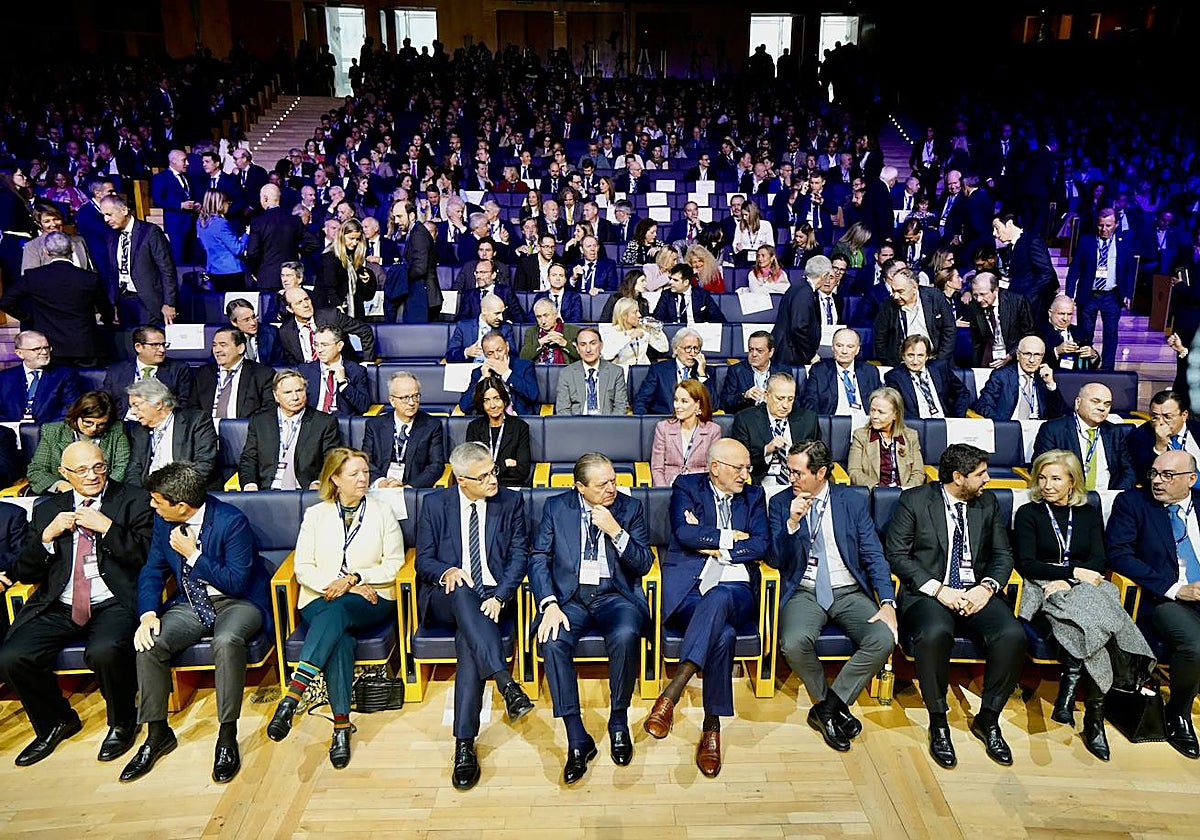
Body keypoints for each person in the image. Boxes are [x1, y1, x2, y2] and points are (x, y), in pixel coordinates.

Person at [0, 442, 154, 767]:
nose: (93, 475)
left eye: (98, 466)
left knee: (104, 651)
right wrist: (46, 538)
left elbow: (146, 557)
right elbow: (25, 571)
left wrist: (108, 528)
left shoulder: (134, 499)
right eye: (82, 470)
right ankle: (56, 721)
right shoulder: (46, 509)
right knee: (12, 656)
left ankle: (122, 722)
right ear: (64, 474)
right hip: (61, 601)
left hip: (113, 600)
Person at [121, 461, 272, 783]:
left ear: (182, 506)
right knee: (150, 644)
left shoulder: (232, 522)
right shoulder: (164, 522)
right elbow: (152, 571)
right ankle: (157, 733)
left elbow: (235, 582)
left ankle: (227, 735)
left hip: (239, 602)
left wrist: (193, 556)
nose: (151, 506)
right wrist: (148, 614)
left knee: (227, 641)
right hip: (190, 603)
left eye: (157, 501)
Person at [886, 443, 1027, 768]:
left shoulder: (987, 503)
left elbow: (1003, 554)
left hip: (976, 590)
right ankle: (938, 721)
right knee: (934, 633)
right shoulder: (915, 501)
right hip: (931, 593)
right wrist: (940, 590)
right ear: (958, 477)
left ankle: (988, 718)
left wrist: (987, 587)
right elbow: (896, 554)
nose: (988, 479)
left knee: (1012, 636)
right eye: (980, 474)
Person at [266, 448, 405, 769]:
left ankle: (292, 697)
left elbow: (394, 563)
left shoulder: (383, 512)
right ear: (335, 479)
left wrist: (356, 578)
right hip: (320, 596)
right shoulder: (316, 515)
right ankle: (341, 725)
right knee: (339, 638)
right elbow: (303, 567)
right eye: (354, 474)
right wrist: (337, 583)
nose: (363, 478)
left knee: (338, 614)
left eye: (365, 472)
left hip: (370, 598)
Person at [1014, 450, 1155, 761]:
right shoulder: (1029, 513)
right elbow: (1027, 563)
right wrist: (1069, 573)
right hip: (1046, 584)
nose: (1047, 485)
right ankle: (1094, 714)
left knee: (1091, 619)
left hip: (1086, 583)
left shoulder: (1088, 513)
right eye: (1042, 478)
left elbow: (1097, 558)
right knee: (1094, 625)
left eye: (1055, 478)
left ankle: (1075, 681)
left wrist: (1075, 577)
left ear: (1072, 482)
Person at [643, 439, 768, 778]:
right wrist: (731, 538)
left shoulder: (754, 495)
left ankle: (672, 692)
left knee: (720, 598)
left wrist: (712, 543)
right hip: (690, 588)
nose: (746, 474)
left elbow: (761, 543)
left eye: (747, 467)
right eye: (738, 468)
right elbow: (685, 534)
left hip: (738, 589)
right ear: (715, 468)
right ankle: (711, 727)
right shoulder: (687, 486)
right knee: (723, 634)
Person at [414, 442, 534, 789]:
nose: (493, 480)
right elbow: (423, 560)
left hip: (492, 600)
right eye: (483, 477)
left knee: (470, 643)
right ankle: (506, 683)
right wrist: (447, 571)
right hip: (446, 598)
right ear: (461, 479)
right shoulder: (435, 504)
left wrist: (500, 596)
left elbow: (518, 557)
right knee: (462, 586)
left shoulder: (510, 502)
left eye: (493, 471)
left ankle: (463, 744)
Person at [768, 439, 898, 752]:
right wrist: (791, 523)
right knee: (794, 643)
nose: (792, 478)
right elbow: (774, 559)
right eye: (790, 471)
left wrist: (888, 602)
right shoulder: (779, 501)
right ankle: (831, 705)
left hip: (848, 589)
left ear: (822, 472)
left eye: (799, 472)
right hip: (804, 589)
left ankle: (828, 709)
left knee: (883, 637)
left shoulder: (851, 501)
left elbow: (872, 554)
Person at [531, 452, 655, 781]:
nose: (612, 489)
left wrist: (616, 532)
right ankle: (577, 739)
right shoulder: (557, 508)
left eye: (614, 480)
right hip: (570, 598)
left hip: (615, 595)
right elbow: (538, 557)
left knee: (627, 633)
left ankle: (618, 720)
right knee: (552, 640)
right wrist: (548, 603)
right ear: (580, 487)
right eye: (602, 485)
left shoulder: (629, 508)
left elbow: (644, 564)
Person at [1107, 449, 1200, 758]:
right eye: (1154, 473)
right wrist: (1175, 589)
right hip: (1163, 598)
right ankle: (1178, 713)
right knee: (1195, 645)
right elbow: (1119, 554)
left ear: (1191, 479)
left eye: (1168, 475)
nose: (1158, 481)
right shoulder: (1133, 503)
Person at [0, 233, 113, 366]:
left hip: (49, 347)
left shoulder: (34, 276)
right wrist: (107, 321)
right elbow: (106, 309)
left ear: (46, 252)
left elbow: (6, 302)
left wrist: (29, 319)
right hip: (85, 346)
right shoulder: (88, 278)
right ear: (72, 249)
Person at [239, 370, 342, 491]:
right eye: (288, 392)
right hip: (266, 489)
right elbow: (249, 458)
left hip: (306, 489)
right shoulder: (260, 421)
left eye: (299, 391)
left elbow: (331, 460)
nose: (295, 397)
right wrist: (250, 484)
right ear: (276, 396)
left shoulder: (324, 422)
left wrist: (319, 481)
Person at [1065, 208, 1137, 370]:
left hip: (1112, 296)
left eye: (1108, 225)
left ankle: (1107, 368)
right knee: (1085, 333)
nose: (1104, 229)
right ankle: (1086, 367)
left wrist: (1128, 293)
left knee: (1111, 333)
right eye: (1101, 225)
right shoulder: (1086, 241)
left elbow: (1129, 271)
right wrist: (1069, 295)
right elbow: (1075, 269)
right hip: (1088, 295)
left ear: (1116, 225)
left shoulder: (1124, 243)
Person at [1032, 383, 1136, 490]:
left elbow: (1128, 471)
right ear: (1078, 403)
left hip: (1107, 498)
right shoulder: (1053, 429)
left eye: (1107, 404)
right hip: (1066, 497)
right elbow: (1040, 467)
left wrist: (1116, 495)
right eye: (1095, 401)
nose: (1102, 408)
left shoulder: (1114, 432)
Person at [27, 391, 130, 494]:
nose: (94, 428)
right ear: (76, 416)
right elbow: (37, 470)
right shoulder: (53, 432)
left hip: (104, 493)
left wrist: (100, 488)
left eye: (101, 424)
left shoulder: (116, 430)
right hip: (62, 495)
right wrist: (61, 485)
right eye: (88, 422)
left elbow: (121, 468)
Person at [125, 378, 220, 489]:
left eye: (136, 405)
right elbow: (134, 469)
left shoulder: (196, 421)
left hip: (185, 491)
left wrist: (171, 491)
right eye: (131, 406)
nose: (132, 412)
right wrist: (137, 496)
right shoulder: (138, 430)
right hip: (149, 494)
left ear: (158, 404)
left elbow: (204, 464)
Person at [731, 373, 820, 488]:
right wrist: (766, 450)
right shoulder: (746, 419)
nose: (785, 405)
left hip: (798, 484)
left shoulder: (808, 420)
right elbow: (739, 461)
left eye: (790, 399)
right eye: (780, 398)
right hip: (759, 484)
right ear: (766, 396)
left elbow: (818, 457)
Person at [100, 194, 177, 325]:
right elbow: (113, 273)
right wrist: (113, 303)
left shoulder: (150, 232)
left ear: (124, 210)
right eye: (104, 215)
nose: (106, 219)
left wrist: (169, 303)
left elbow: (167, 269)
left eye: (109, 214)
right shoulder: (111, 236)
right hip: (123, 302)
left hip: (148, 302)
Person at [363, 370, 446, 488]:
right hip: (382, 488)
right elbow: (366, 460)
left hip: (412, 488)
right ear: (392, 401)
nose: (412, 403)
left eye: (415, 396)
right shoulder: (375, 426)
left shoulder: (432, 426)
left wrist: (411, 487)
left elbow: (436, 465)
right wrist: (381, 482)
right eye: (405, 398)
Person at [244, 183, 319, 297]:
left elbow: (252, 252)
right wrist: (299, 253)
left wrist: (257, 269)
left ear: (265, 198)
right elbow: (313, 242)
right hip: (291, 276)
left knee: (270, 312)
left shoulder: (258, 221)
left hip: (268, 277)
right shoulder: (294, 220)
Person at [873, 267, 956, 367]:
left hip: (935, 359)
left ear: (915, 288)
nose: (895, 296)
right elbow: (880, 339)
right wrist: (892, 364)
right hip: (902, 363)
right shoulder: (888, 305)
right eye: (893, 291)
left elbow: (949, 330)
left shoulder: (935, 297)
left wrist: (940, 361)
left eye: (900, 291)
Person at [970, 335, 1064, 421]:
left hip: (1038, 431)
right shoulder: (1001, 376)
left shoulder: (1043, 378)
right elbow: (983, 405)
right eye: (1027, 354)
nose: (1032, 360)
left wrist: (1050, 384)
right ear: (1018, 355)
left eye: (1037, 355)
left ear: (1042, 357)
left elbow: (1058, 413)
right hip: (1009, 430)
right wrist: (1002, 424)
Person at [194, 327, 277, 422]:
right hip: (207, 431)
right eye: (214, 345)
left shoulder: (262, 374)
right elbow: (193, 408)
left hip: (245, 431)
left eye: (223, 345)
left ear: (240, 348)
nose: (217, 350)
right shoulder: (203, 374)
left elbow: (268, 409)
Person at [0, 330, 86, 422]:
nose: (44, 352)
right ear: (20, 353)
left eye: (47, 347)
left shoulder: (64, 374)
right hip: (10, 431)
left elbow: (71, 408)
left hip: (49, 430)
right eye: (37, 349)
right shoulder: (4, 378)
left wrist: (42, 428)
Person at [848, 387, 926, 488]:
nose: (874, 416)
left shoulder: (911, 436)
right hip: (873, 494)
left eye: (881, 412)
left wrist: (906, 491)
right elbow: (854, 471)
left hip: (905, 495)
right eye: (872, 410)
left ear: (895, 415)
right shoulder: (860, 436)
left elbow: (918, 473)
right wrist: (878, 490)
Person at [278, 286, 376, 365]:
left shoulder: (332, 316)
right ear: (290, 309)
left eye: (306, 299)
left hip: (342, 370)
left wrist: (368, 361)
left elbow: (365, 330)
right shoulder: (285, 332)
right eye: (299, 303)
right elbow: (291, 362)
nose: (306, 305)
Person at [650, 380, 722, 487]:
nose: (677, 406)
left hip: (699, 488)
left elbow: (712, 467)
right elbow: (657, 468)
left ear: (697, 405)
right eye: (676, 400)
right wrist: (664, 493)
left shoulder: (713, 430)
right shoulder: (663, 428)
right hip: (670, 486)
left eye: (684, 401)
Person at [464, 376, 532, 487]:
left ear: (505, 401)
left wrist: (487, 470)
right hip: (481, 487)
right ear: (482, 404)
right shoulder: (474, 428)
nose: (492, 405)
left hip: (510, 487)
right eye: (487, 400)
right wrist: (505, 464)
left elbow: (522, 471)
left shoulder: (520, 427)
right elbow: (472, 469)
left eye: (497, 398)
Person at [800, 328, 881, 419]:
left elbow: (881, 402)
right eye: (839, 345)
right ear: (832, 348)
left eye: (850, 346)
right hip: (833, 424)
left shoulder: (870, 371)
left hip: (866, 423)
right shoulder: (819, 371)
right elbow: (810, 403)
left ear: (857, 350)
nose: (844, 351)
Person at [1125, 389, 1200, 483]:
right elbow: (1145, 477)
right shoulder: (1138, 437)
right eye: (1154, 417)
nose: (1160, 422)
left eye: (1167, 417)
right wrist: (1160, 446)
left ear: (1184, 415)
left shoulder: (1197, 429)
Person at [457, 332, 539, 417]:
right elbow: (464, 406)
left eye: (499, 350)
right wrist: (484, 379)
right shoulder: (478, 372)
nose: (496, 356)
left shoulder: (524, 366)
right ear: (485, 355)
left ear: (507, 347)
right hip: (490, 421)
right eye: (490, 353)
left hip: (518, 419)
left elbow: (533, 395)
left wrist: (506, 373)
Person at [633, 327, 711, 415]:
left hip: (695, 423)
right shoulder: (658, 370)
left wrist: (702, 375)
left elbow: (713, 405)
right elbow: (641, 401)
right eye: (688, 348)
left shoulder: (706, 371)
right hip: (665, 421)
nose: (692, 353)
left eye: (696, 348)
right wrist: (645, 424)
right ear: (675, 349)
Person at [965, 271, 1034, 368]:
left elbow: (1029, 334)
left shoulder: (1017, 302)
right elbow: (977, 343)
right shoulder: (974, 307)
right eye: (975, 295)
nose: (979, 299)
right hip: (989, 358)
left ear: (996, 290)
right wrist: (976, 369)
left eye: (983, 294)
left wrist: (1010, 356)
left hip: (1014, 358)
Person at [555, 328, 629, 415]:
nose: (588, 350)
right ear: (577, 349)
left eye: (593, 343)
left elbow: (621, 407)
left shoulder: (616, 372)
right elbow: (563, 410)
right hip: (576, 425)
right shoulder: (566, 373)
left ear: (601, 346)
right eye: (583, 345)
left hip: (607, 424)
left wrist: (610, 426)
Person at [300, 325, 371, 417]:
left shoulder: (356, 371)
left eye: (325, 345)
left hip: (342, 423)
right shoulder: (305, 371)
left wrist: (343, 383)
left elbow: (363, 406)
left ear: (339, 346)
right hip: (313, 423)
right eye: (316, 345)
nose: (319, 350)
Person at [772, 255, 826, 367]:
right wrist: (810, 354)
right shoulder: (804, 292)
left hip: (789, 350)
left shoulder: (800, 286)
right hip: (791, 353)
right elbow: (798, 327)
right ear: (823, 276)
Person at [392, 199, 442, 321]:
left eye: (399, 216)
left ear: (412, 215)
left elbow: (419, 269)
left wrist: (399, 277)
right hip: (421, 297)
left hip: (424, 298)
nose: (396, 221)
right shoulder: (414, 232)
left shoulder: (418, 234)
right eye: (395, 217)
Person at [195, 190, 248, 292]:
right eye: (228, 203)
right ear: (220, 203)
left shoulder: (201, 222)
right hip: (231, 271)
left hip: (213, 269)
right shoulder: (221, 223)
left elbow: (204, 245)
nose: (229, 206)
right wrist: (247, 235)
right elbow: (237, 249)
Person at [447, 295, 516, 364]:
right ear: (484, 311)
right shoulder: (463, 327)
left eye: (502, 313)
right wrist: (466, 352)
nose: (501, 318)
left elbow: (513, 355)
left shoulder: (505, 328)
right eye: (497, 313)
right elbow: (449, 356)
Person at [652, 263, 725, 325]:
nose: (670, 282)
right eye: (670, 278)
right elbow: (657, 318)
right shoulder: (666, 295)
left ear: (686, 282)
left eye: (675, 280)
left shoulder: (702, 295)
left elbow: (718, 319)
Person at [603, 298, 666, 368]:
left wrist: (655, 331)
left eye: (638, 311)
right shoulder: (612, 331)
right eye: (635, 312)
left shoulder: (642, 329)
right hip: (624, 371)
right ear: (624, 315)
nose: (639, 315)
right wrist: (630, 337)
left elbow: (663, 348)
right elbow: (607, 355)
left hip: (644, 369)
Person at [1041, 295, 1098, 371]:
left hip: (1075, 378)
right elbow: (1032, 360)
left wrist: (1092, 355)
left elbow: (1092, 366)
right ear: (1050, 313)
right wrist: (1057, 351)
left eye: (1069, 314)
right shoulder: (1038, 331)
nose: (1065, 319)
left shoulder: (1080, 332)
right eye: (1061, 314)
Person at [520, 297, 581, 365]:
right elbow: (523, 358)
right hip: (539, 372)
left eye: (546, 315)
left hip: (566, 372)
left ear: (555, 314)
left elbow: (582, 357)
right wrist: (541, 342)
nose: (543, 321)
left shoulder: (573, 331)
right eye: (539, 317)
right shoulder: (530, 332)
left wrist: (564, 344)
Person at [227, 298, 282, 365]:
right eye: (246, 320)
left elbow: (281, 362)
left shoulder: (271, 332)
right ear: (234, 322)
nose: (253, 323)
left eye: (254, 317)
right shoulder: (226, 337)